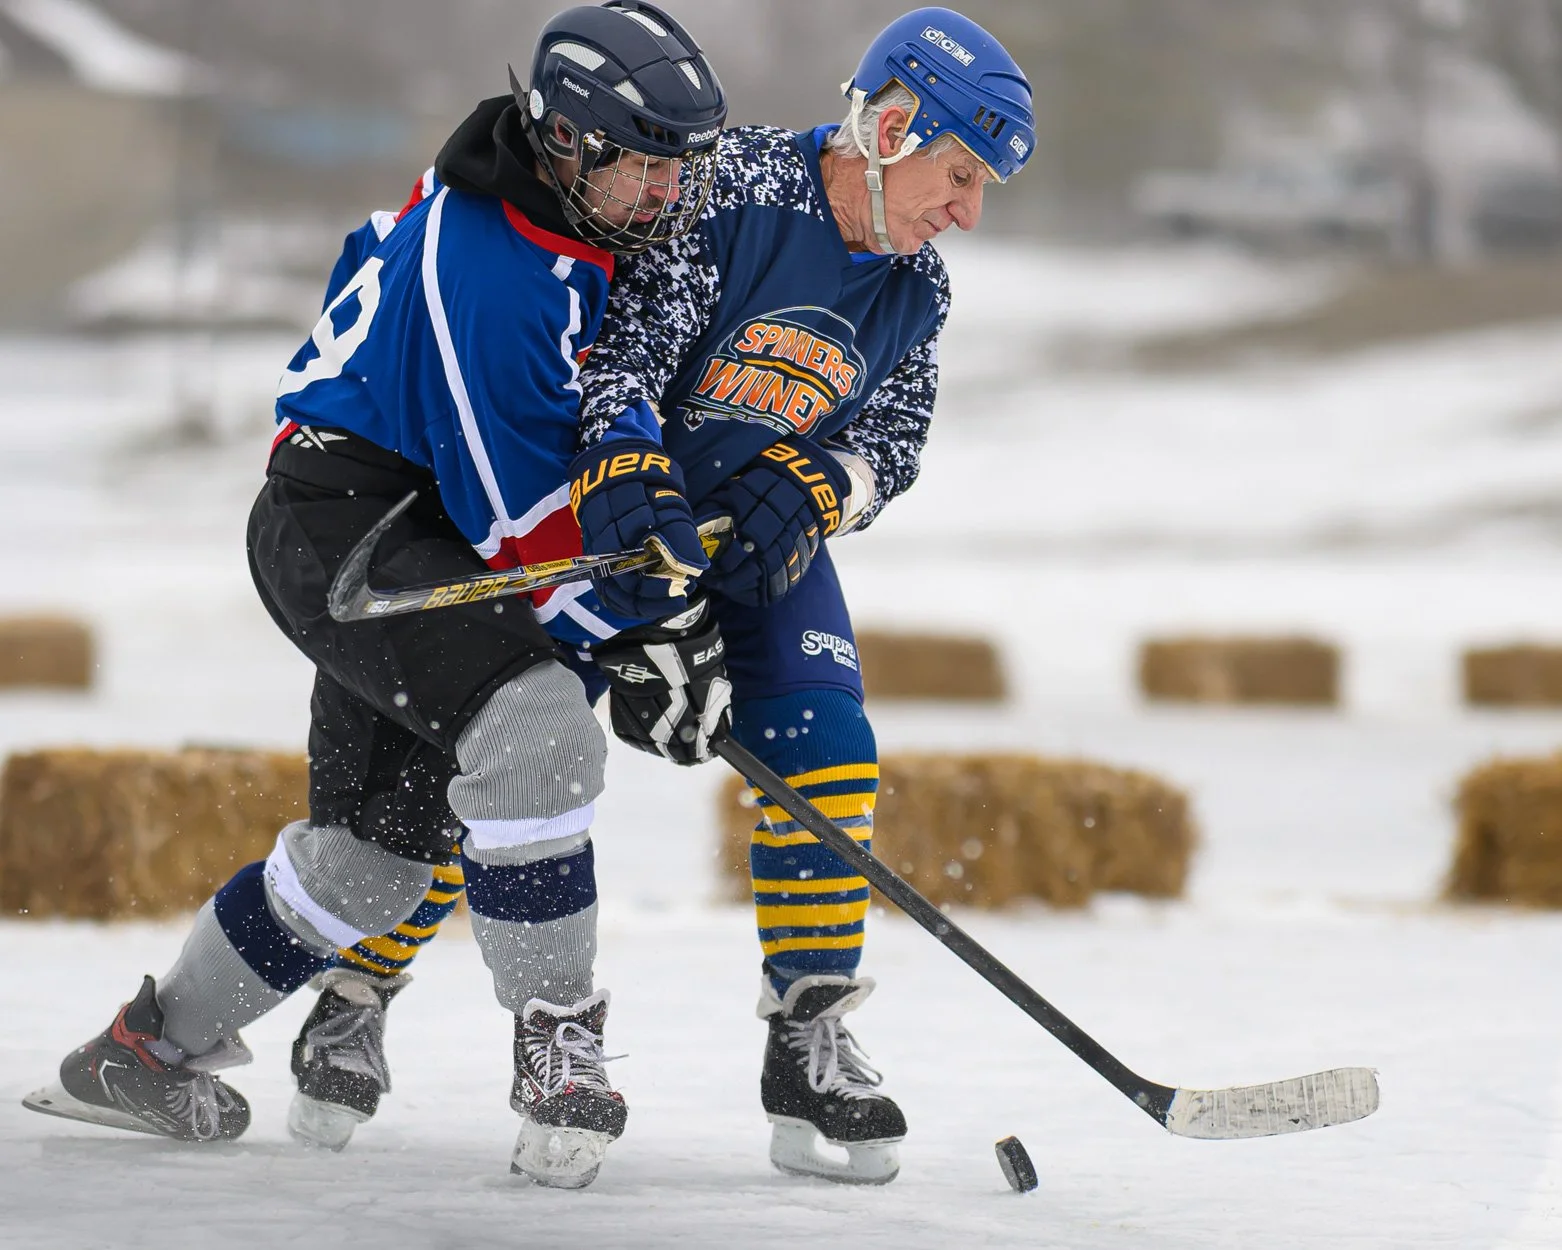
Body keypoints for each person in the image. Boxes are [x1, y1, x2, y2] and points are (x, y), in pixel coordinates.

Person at [290, 6, 1035, 1187]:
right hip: (617, 528)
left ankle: (808, 1035)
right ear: (890, 129)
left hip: (754, 539)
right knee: (499, 751)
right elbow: (619, 344)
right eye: (956, 173)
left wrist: (824, 485)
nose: (966, 210)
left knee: (826, 734)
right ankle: (358, 984)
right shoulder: (730, 186)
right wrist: (634, 470)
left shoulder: (916, 290)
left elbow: (896, 436)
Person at [22, 0, 727, 1191]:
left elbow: (371, 263)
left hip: (403, 518)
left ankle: (142, 1051)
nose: (666, 192)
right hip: (356, 531)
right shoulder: (497, 269)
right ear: (563, 140)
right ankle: (558, 1038)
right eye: (644, 163)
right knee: (538, 723)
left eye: (678, 164)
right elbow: (526, 531)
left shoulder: (521, 194)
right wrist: (650, 634)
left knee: (372, 864)